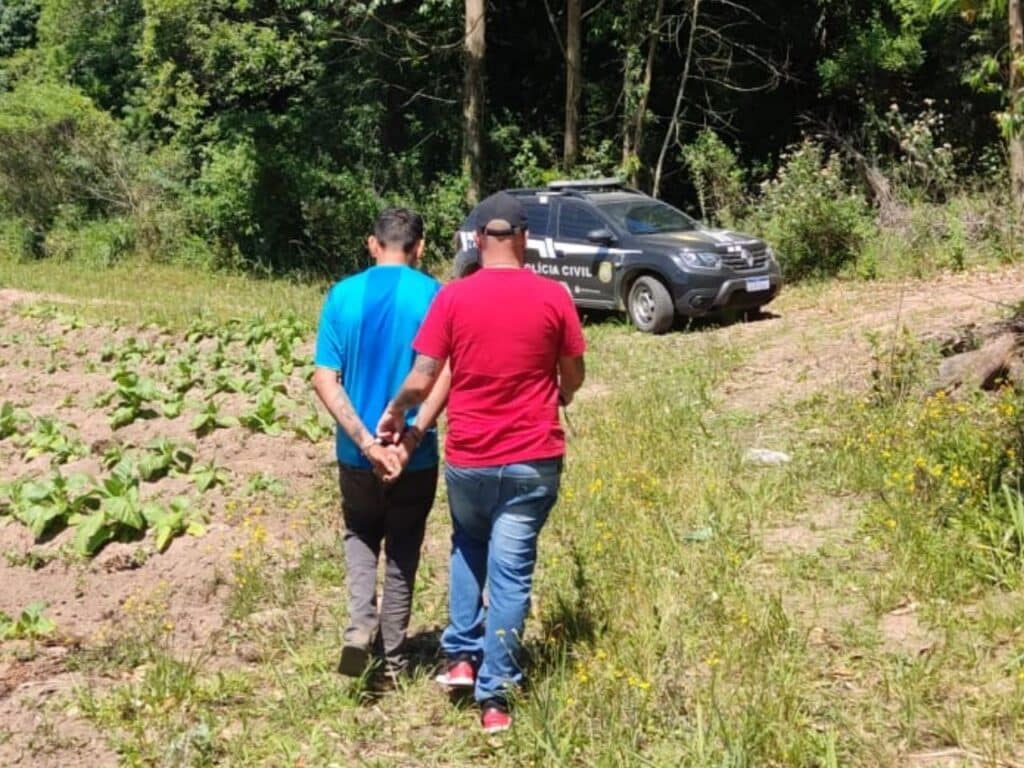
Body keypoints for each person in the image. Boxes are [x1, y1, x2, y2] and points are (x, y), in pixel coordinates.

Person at [377, 191, 586, 733]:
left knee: (469, 545)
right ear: (524, 240)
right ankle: (495, 699)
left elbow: (424, 377)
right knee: (511, 576)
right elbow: (574, 374)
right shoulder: (553, 296)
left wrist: (399, 412)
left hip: (469, 457)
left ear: (476, 242)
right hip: (532, 459)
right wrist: (558, 394)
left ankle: (462, 658)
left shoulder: (453, 298)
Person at [312, 207, 450, 678]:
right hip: (416, 454)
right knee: (404, 546)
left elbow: (324, 379)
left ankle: (359, 626)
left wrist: (367, 443)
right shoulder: (435, 295)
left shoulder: (342, 295)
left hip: (356, 453)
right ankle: (392, 659)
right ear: (421, 247)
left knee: (360, 534)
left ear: (372, 244)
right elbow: (442, 376)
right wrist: (410, 438)